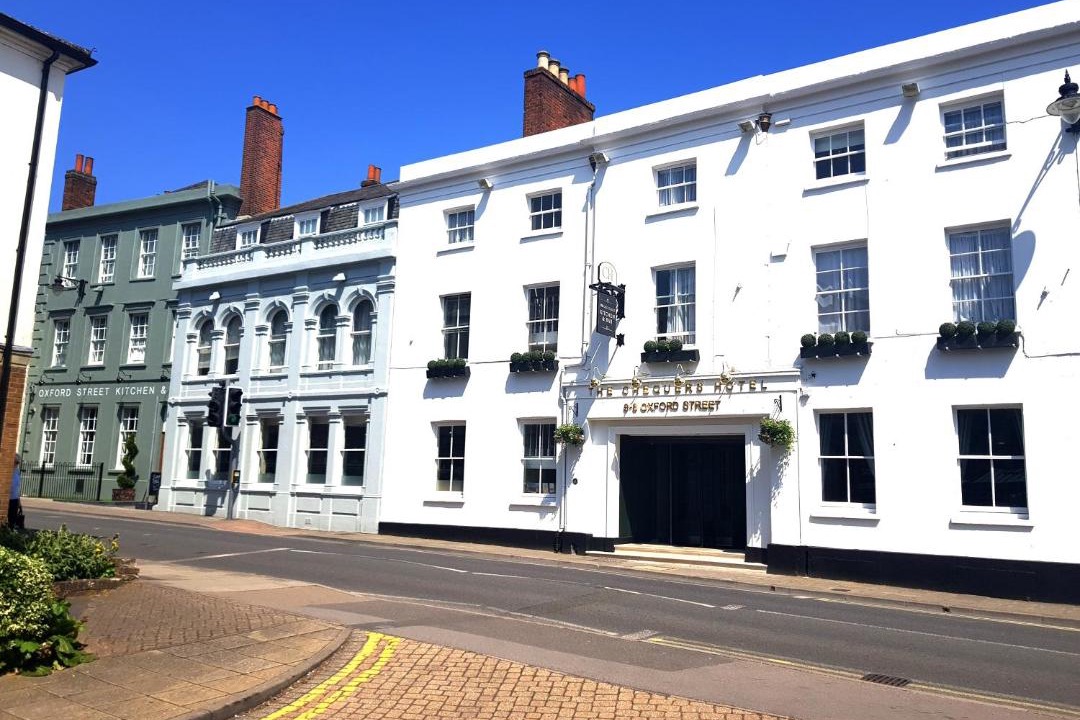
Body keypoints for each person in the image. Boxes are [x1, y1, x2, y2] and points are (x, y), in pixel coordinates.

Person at [8, 452, 23, 530]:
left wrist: (19, 502)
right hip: (7, 499)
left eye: (18, 462)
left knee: (12, 520)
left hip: (15, 499)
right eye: (16, 462)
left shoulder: (17, 471)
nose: (17, 464)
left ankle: (10, 533)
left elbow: (17, 487)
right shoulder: (7, 471)